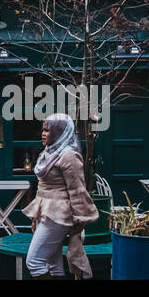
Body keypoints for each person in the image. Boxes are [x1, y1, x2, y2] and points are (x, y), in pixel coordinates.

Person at [22, 113, 98, 280]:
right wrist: (36, 217)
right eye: (42, 129)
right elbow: (43, 188)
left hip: (58, 214)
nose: (43, 133)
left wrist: (80, 218)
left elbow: (77, 189)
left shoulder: (69, 155)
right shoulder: (49, 152)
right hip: (46, 212)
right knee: (52, 263)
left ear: (60, 132)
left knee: (34, 261)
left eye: (48, 130)